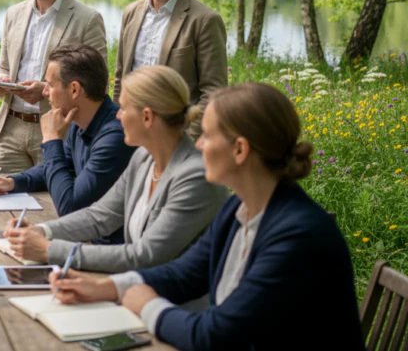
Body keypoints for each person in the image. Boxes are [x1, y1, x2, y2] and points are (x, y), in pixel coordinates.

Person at [47, 83, 365, 350]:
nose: (197, 143)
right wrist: (105, 288)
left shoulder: (298, 236)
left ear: (240, 150)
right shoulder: (237, 209)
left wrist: (144, 304)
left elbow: (214, 335)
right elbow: (183, 275)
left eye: (208, 135)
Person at [2, 66, 228, 276]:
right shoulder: (144, 158)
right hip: (134, 290)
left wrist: (49, 249)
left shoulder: (195, 178)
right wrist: (42, 231)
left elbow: (145, 256)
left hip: (176, 309)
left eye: (125, 108)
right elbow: (100, 216)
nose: (118, 115)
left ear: (147, 117)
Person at [0, 44, 133, 230]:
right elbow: (58, 166)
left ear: (75, 90)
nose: (45, 92)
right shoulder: (81, 121)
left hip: (116, 249)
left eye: (50, 85)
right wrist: (13, 182)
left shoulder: (114, 137)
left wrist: (52, 139)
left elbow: (70, 207)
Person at [0, 0, 108, 174]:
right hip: (9, 129)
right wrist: (1, 79)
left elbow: (97, 86)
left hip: (60, 131)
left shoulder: (88, 19)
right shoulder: (13, 14)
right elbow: (3, 65)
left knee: (54, 208)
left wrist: (45, 90)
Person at [113, 0, 227, 111]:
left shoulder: (205, 21)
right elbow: (120, 79)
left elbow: (213, 94)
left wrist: (185, 138)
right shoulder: (130, 13)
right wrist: (117, 130)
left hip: (177, 136)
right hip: (129, 133)